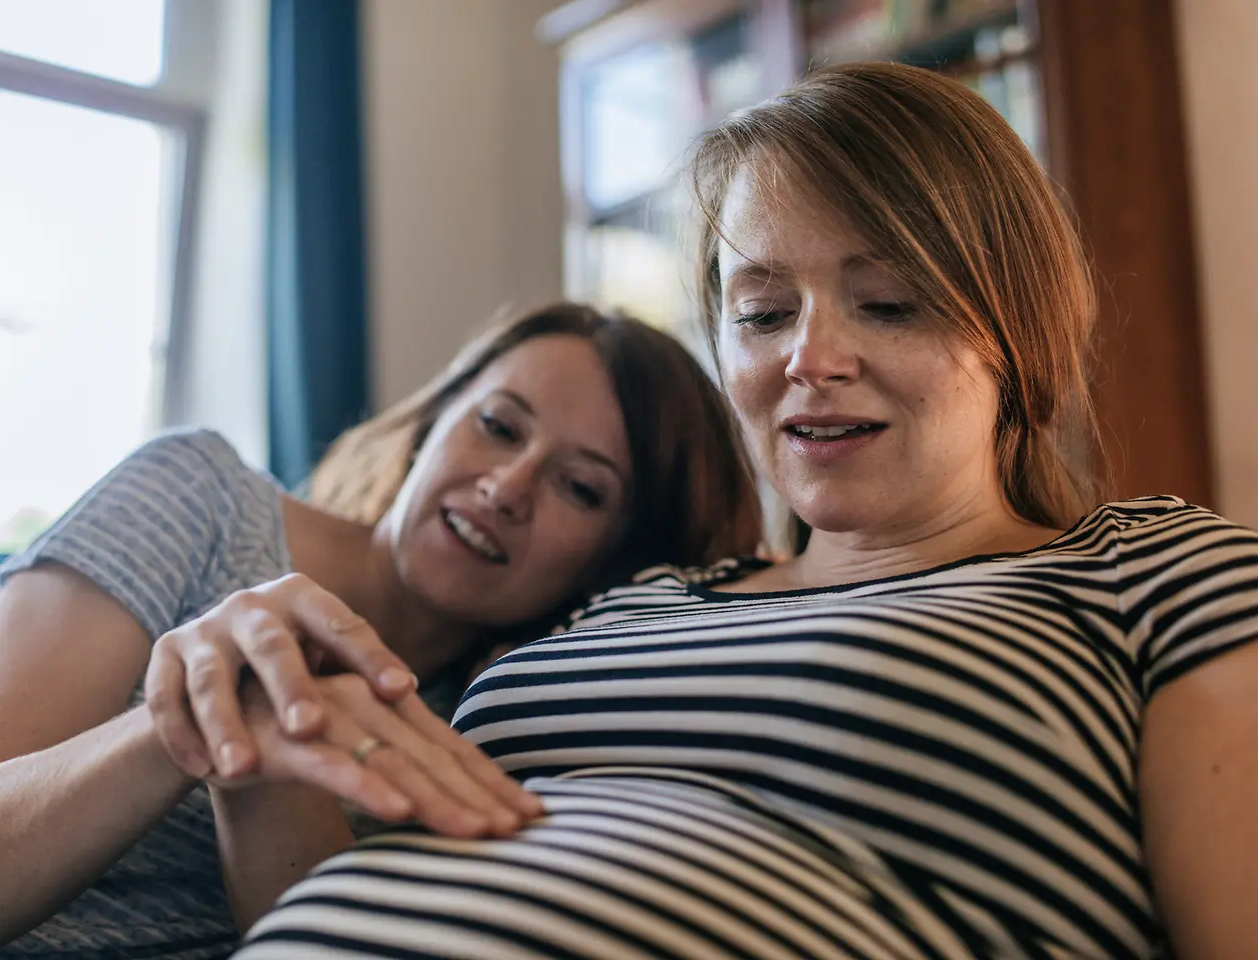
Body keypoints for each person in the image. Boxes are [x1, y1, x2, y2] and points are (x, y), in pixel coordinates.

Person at [223, 62, 1258, 959]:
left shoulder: (1157, 575)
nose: (809, 359)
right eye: (762, 313)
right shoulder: (639, 600)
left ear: (1018, 329)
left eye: (888, 302)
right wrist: (254, 750)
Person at [0, 303, 763, 959]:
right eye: (497, 426)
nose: (507, 488)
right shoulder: (200, 497)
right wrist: (192, 719)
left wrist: (277, 745)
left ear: (613, 559)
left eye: (580, 487)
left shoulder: (501, 736)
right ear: (433, 419)